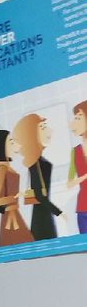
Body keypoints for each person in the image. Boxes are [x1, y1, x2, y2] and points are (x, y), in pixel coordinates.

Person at [14, 112, 61, 241]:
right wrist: (59, 213)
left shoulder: (39, 161)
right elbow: (39, 195)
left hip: (42, 216)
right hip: (42, 219)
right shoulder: (36, 163)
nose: (49, 131)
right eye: (43, 127)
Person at [0, 128, 32, 247]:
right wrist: (13, 198)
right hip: (10, 219)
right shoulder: (3, 169)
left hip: (14, 217)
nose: (16, 144)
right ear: (1, 147)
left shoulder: (6, 168)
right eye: (11, 141)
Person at [66, 99, 87, 234]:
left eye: (78, 118)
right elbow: (69, 183)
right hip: (83, 209)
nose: (73, 123)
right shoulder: (75, 152)